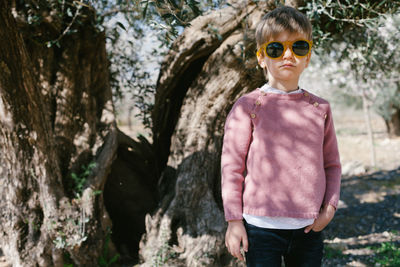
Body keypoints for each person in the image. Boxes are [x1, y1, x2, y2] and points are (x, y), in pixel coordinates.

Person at [221, 6, 341, 267]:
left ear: (307, 57)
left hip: (310, 228)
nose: (288, 55)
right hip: (260, 228)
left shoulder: (320, 109)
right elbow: (232, 167)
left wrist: (329, 208)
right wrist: (233, 221)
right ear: (262, 57)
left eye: (298, 47)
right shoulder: (247, 106)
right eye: (276, 49)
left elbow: (331, 164)